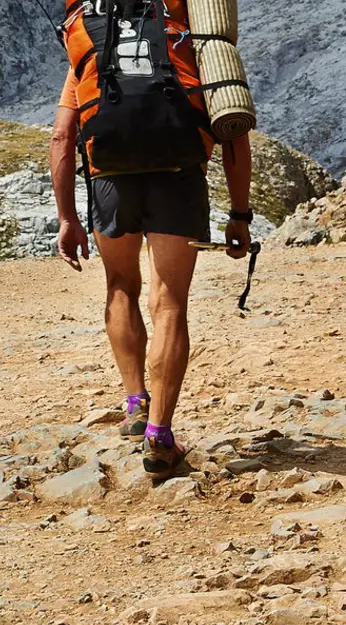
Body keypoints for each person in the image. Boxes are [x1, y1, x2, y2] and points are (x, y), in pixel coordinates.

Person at [51, 68, 252, 478]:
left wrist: (67, 218)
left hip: (110, 178)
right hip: (178, 177)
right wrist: (239, 213)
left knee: (120, 285)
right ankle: (160, 436)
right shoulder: (189, 43)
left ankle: (134, 405)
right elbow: (233, 130)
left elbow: (61, 137)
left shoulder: (94, 45)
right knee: (170, 303)